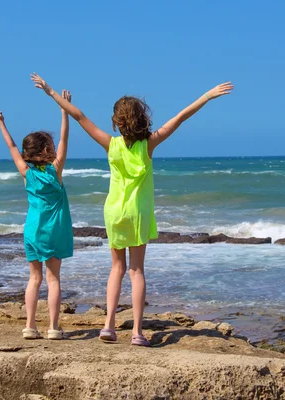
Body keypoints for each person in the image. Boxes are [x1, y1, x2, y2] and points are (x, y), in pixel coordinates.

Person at [31, 72, 233, 346]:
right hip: (138, 213)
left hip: (114, 212)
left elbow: (78, 116)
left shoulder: (110, 144)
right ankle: (137, 332)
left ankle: (108, 327)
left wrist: (50, 91)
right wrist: (207, 97)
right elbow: (181, 117)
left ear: (116, 122)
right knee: (136, 270)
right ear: (141, 119)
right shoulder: (148, 145)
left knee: (117, 268)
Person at [0, 91, 74, 340]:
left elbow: (11, 145)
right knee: (54, 279)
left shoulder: (26, 171)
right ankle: (54, 328)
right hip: (53, 231)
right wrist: (64, 110)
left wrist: (0, 121)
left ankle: (29, 326)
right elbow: (66, 140)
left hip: (31, 230)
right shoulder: (55, 170)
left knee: (34, 278)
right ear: (47, 148)